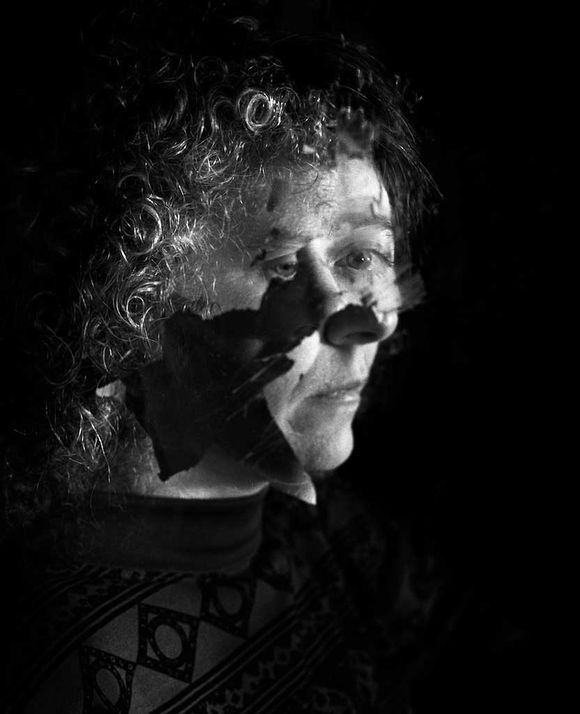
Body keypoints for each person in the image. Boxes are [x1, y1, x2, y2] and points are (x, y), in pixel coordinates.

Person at [1, 2, 439, 711]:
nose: (362, 323)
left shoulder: (331, 527)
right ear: (129, 309)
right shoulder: (80, 678)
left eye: (362, 257)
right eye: (283, 268)